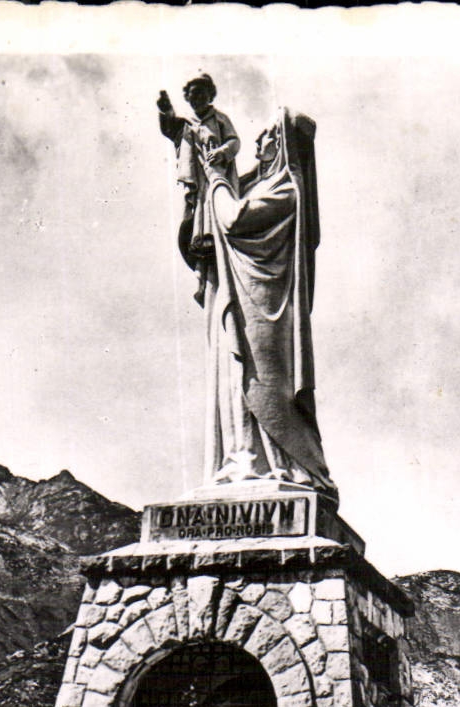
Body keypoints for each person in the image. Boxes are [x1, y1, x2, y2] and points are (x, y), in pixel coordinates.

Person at [197, 110, 335, 500]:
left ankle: (287, 465)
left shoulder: (286, 190)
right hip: (242, 304)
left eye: (269, 135)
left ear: (285, 146)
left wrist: (216, 178)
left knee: (265, 385)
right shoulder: (259, 187)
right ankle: (245, 461)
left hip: (266, 311)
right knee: (236, 379)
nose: (258, 142)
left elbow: (233, 219)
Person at [157, 74, 239, 304]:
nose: (197, 98)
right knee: (198, 229)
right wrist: (165, 110)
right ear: (188, 98)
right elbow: (169, 127)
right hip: (199, 188)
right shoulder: (186, 124)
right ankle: (201, 278)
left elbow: (234, 141)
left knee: (218, 223)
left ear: (209, 95)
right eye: (193, 95)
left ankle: (219, 273)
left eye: (201, 93)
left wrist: (222, 152)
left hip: (218, 180)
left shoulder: (219, 119)